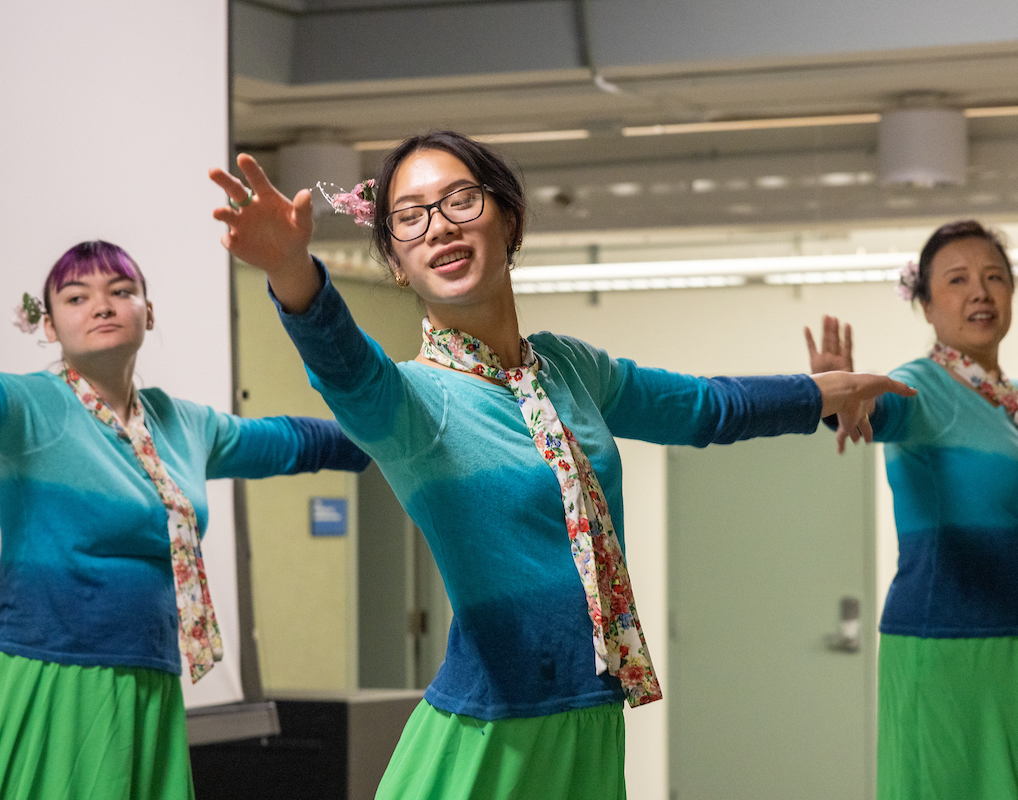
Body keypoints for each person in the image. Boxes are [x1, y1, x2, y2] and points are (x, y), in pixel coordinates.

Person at [209, 129, 914, 799]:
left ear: (508, 221)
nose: (440, 226)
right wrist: (291, 270)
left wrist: (824, 392)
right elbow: (346, 370)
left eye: (460, 201)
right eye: (410, 217)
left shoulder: (571, 369)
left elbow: (703, 408)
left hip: (590, 713)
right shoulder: (413, 401)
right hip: (490, 739)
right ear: (395, 261)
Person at [0, 241, 371, 800]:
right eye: (77, 297)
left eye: (120, 292)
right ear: (48, 326)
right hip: (45, 680)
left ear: (148, 312)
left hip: (146, 684)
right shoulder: (28, 408)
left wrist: (390, 433)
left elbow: (291, 443)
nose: (101, 306)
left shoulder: (182, 425)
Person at [806, 220, 1018, 800]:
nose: (980, 292)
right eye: (957, 279)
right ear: (928, 305)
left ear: (1012, 294)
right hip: (948, 645)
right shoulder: (919, 388)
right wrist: (837, 401)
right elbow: (873, 412)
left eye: (994, 277)